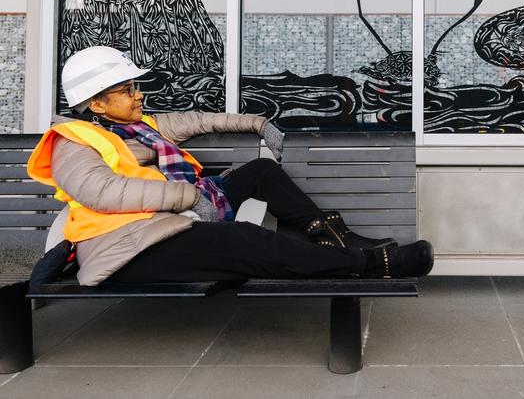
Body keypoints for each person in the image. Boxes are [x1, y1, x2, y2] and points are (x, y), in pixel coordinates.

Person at [28, 46, 433, 287]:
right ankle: (371, 266)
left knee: (261, 172)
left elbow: (203, 120)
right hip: (129, 248)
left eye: (136, 86)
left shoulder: (144, 127)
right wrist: (188, 196)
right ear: (96, 103)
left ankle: (336, 238)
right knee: (246, 241)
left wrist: (259, 124)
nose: (138, 94)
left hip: (172, 217)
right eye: (127, 89)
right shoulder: (73, 143)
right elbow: (103, 193)